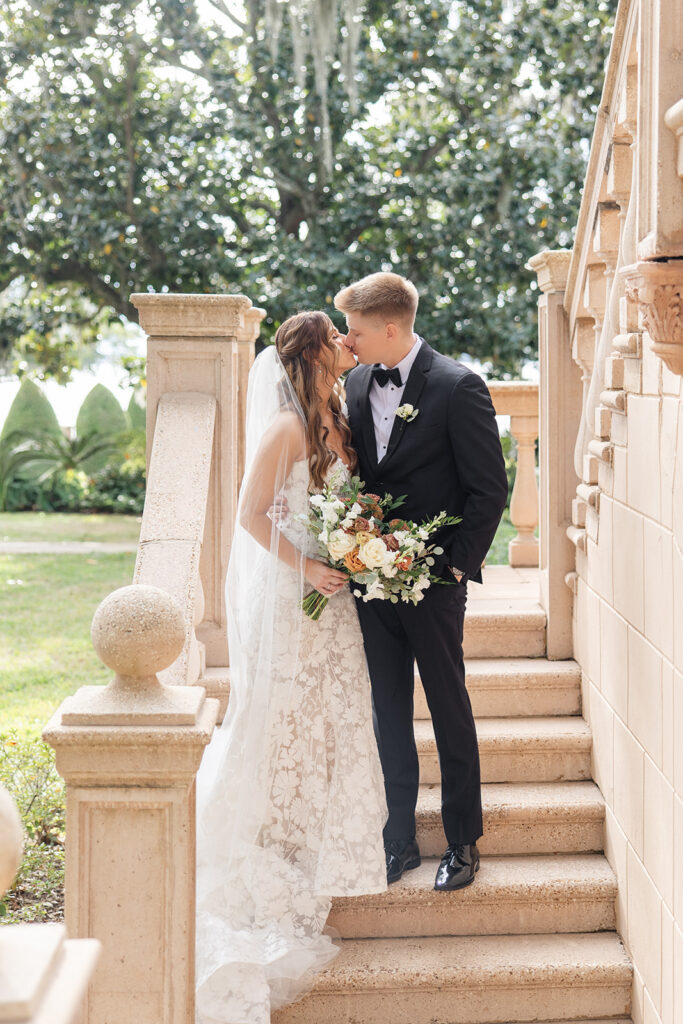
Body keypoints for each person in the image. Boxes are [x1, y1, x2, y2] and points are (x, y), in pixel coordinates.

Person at [194, 312, 387, 1024]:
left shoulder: (335, 416)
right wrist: (307, 565)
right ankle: (276, 837)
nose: (347, 342)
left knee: (332, 712)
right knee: (286, 714)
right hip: (293, 591)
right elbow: (251, 515)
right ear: (312, 351)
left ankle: (322, 832)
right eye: (336, 336)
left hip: (332, 593)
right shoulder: (284, 429)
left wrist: (361, 544)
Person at [336, 272, 508, 892]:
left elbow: (490, 491)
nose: (346, 341)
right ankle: (398, 838)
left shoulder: (459, 387)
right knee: (387, 709)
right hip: (369, 582)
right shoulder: (354, 382)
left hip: (435, 583)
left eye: (354, 331)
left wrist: (453, 568)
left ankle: (463, 840)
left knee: (447, 706)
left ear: (389, 328)